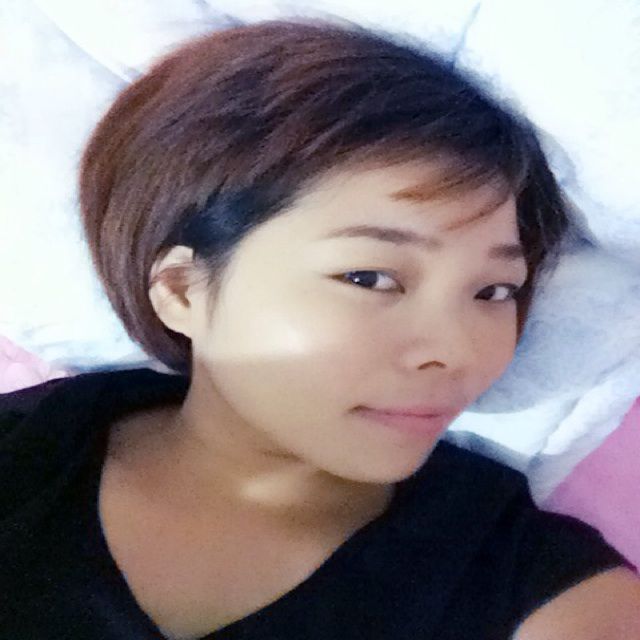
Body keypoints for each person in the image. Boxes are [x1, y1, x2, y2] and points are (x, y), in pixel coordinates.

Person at [1, 17, 638, 640]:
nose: (456, 350)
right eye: (370, 277)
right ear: (182, 290)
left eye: (494, 291)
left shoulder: (538, 589)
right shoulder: (27, 455)